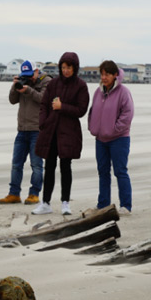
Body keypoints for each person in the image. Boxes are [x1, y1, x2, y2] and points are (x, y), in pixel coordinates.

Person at [32, 52, 89, 215]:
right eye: (63, 67)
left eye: (69, 67)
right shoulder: (53, 84)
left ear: (75, 68)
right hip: (50, 130)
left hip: (69, 132)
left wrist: (62, 107)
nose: (66, 70)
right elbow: (43, 105)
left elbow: (81, 110)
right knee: (49, 166)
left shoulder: (81, 85)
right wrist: (43, 122)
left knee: (66, 166)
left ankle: (65, 202)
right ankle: (46, 203)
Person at [0, 60, 52, 206]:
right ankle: (14, 194)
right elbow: (12, 100)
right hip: (21, 130)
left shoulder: (46, 82)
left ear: (36, 71)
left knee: (36, 165)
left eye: (30, 75)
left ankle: (34, 194)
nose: (28, 78)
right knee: (16, 164)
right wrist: (15, 86)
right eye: (24, 75)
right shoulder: (22, 82)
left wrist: (28, 90)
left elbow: (44, 100)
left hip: (37, 130)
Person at [88, 60, 134, 214]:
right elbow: (93, 110)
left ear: (115, 75)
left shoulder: (123, 92)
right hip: (100, 139)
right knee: (103, 171)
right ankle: (103, 204)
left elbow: (127, 114)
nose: (104, 77)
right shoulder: (98, 91)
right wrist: (93, 127)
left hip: (119, 139)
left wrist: (114, 130)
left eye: (107, 74)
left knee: (120, 171)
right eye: (102, 74)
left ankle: (126, 206)